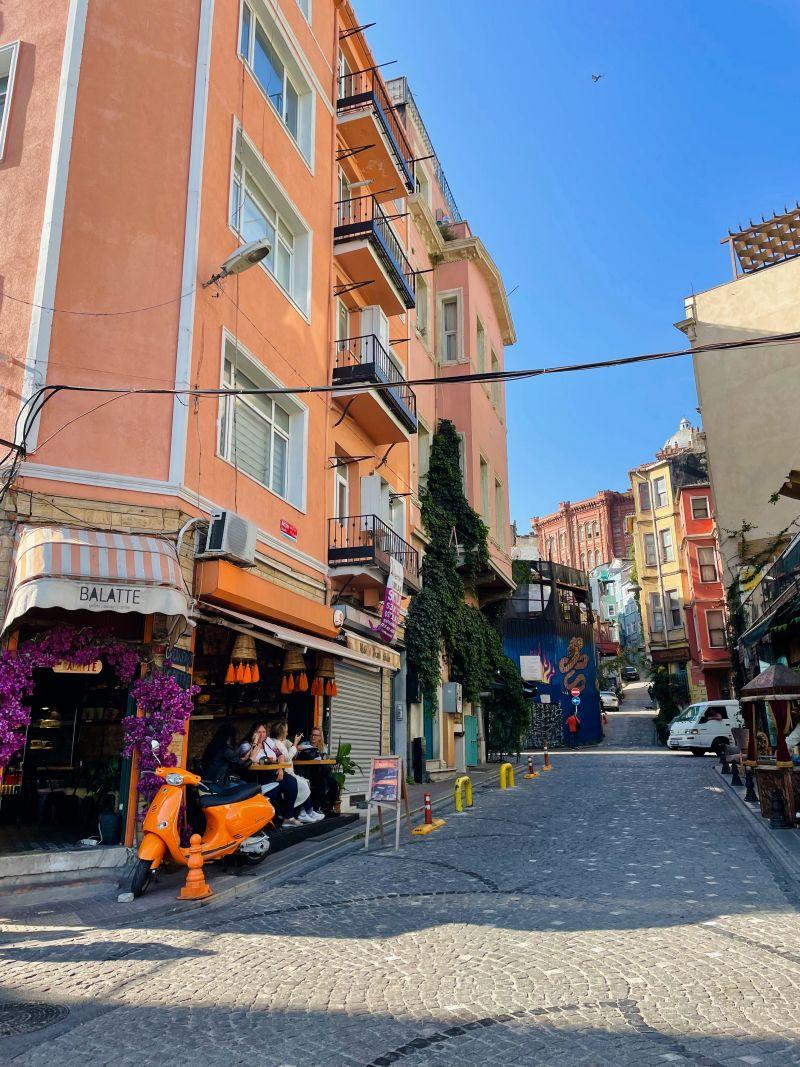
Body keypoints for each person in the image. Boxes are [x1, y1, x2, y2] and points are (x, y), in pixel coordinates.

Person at [267, 722, 322, 824]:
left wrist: (293, 743)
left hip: (287, 772)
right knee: (302, 784)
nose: (287, 732)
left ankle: (308, 811)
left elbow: (289, 746)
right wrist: (296, 744)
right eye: (286, 730)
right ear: (282, 732)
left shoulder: (281, 741)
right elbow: (287, 757)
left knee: (305, 783)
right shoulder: (275, 743)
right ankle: (303, 812)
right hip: (285, 773)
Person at [301, 726, 341, 817]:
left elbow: (325, 759)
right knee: (321, 782)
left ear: (319, 737)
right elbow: (297, 751)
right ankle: (317, 808)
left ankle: (330, 808)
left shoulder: (323, 747)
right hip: (307, 772)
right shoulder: (304, 744)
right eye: (312, 734)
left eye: (316, 735)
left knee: (334, 782)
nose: (313, 737)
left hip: (320, 771)